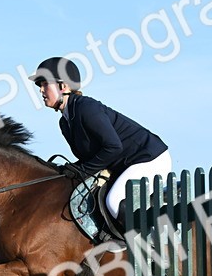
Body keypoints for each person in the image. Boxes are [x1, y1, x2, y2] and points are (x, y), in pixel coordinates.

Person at [29, 56, 171, 228]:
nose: (41, 90)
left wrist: (81, 170)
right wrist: (68, 170)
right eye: (40, 85)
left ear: (63, 86)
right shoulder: (65, 122)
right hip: (124, 164)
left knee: (114, 201)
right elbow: (91, 158)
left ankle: (145, 243)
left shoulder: (86, 108)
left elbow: (113, 147)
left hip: (148, 159)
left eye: (45, 84)